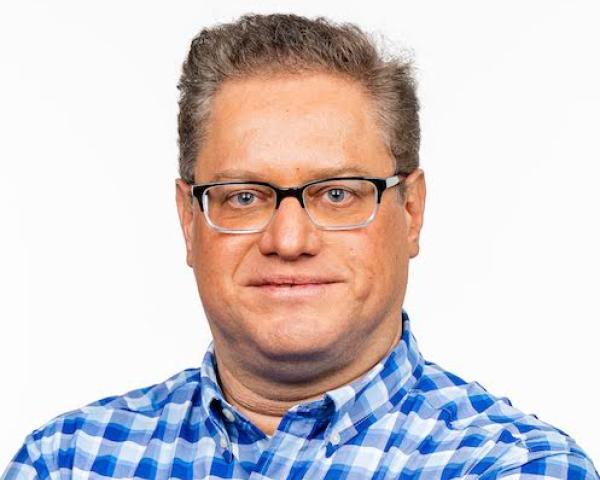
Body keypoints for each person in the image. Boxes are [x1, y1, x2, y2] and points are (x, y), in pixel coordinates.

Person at [3, 13, 598, 480]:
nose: (288, 240)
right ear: (188, 219)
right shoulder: (68, 461)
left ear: (411, 211)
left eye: (338, 194)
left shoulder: (514, 467)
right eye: (243, 197)